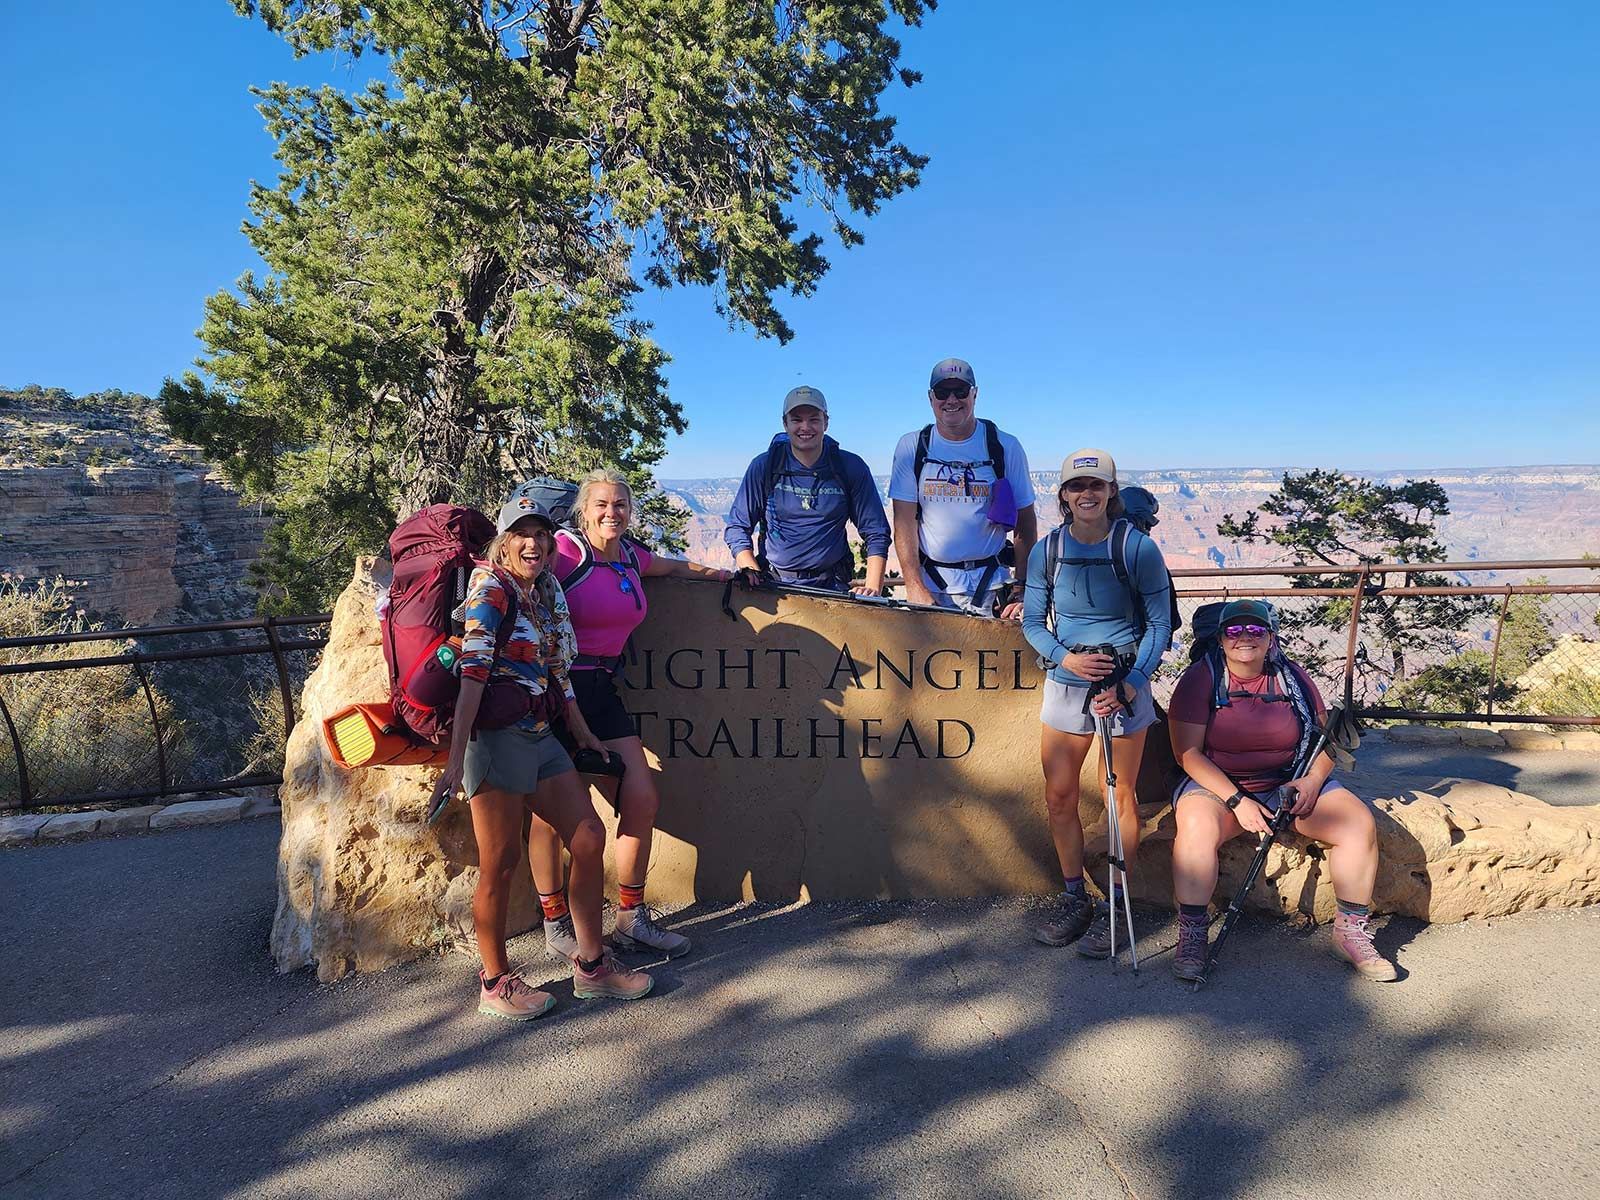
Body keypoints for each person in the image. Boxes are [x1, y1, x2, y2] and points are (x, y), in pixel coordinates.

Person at [429, 480, 654, 1019]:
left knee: (587, 834)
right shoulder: (491, 589)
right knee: (500, 862)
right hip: (495, 738)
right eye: (521, 535)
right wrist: (456, 759)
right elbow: (474, 676)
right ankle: (494, 981)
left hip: (540, 730)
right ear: (503, 542)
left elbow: (558, 669)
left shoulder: (547, 588)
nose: (533, 544)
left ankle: (591, 966)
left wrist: (580, 730)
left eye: (541, 535)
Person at [533, 468, 733, 961]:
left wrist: (729, 575)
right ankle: (555, 919)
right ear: (584, 510)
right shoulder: (566, 552)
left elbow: (675, 568)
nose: (611, 512)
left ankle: (630, 916)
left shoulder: (629, 557)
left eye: (620, 504)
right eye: (601, 504)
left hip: (601, 688)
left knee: (640, 796)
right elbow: (519, 579)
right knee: (555, 814)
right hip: (555, 688)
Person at [1167, 598, 1397, 983]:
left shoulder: (1292, 678)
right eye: (1234, 631)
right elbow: (1187, 754)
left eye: (1255, 630)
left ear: (1270, 638)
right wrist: (1237, 801)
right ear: (1221, 639)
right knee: (1196, 828)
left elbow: (1326, 743)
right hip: (1220, 786)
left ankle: (1351, 931)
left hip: (1286, 782)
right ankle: (1191, 934)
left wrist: (1311, 782)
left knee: (1356, 823)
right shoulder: (1201, 679)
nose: (1245, 638)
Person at [1022, 448, 1172, 956]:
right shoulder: (1047, 550)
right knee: (1059, 796)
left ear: (1111, 492)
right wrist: (1065, 660)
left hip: (1124, 681)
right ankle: (1073, 897)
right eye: (1076, 486)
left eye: (1097, 486)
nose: (1087, 494)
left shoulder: (1137, 549)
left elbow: (1159, 624)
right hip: (1068, 683)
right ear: (1063, 495)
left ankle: (1115, 901)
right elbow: (1031, 623)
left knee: (1120, 798)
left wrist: (1131, 683)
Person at [889, 358, 1037, 617]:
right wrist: (914, 586)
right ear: (930, 397)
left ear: (975, 394)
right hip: (931, 589)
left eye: (961, 391)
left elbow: (1025, 522)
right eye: (943, 392)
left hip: (993, 588)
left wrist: (1021, 586)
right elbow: (904, 523)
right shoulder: (911, 447)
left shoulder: (1005, 446)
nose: (951, 400)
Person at [724, 385, 891, 594]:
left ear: (826, 422)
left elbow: (876, 531)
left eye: (814, 419)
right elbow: (738, 526)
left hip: (832, 585)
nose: (805, 427)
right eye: (796, 420)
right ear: (785, 424)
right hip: (774, 583)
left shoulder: (850, 467)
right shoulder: (765, 466)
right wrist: (750, 570)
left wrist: (873, 589)